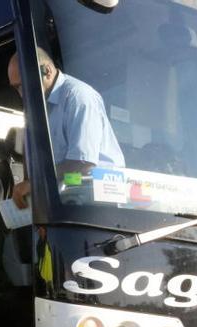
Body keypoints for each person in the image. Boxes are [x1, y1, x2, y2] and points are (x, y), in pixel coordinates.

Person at [7, 48, 125, 208]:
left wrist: (36, 182)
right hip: (69, 198)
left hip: (100, 201)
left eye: (24, 85)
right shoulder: (39, 108)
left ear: (47, 71)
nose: (22, 94)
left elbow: (83, 164)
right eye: (16, 88)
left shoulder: (78, 97)